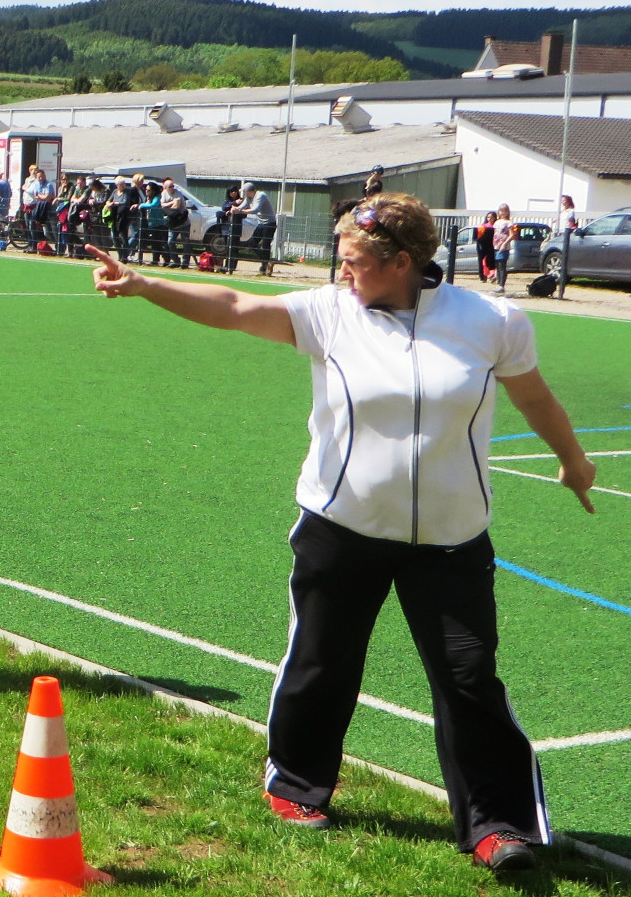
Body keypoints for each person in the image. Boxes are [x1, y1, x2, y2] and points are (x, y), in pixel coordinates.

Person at [84, 192, 596, 875]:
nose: (341, 270)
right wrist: (144, 284)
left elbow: (534, 397)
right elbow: (232, 306)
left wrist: (573, 460)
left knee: (469, 677)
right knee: (323, 659)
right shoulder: (329, 313)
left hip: (451, 540)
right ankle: (297, 783)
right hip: (341, 528)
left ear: (402, 262)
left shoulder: (492, 322)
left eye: (353, 259)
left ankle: (495, 823)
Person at [237, 182, 276, 277]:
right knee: (252, 243)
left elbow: (255, 209)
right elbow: (241, 207)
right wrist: (235, 209)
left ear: (248, 191)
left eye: (245, 191)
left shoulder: (260, 195)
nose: (244, 193)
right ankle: (267, 262)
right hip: (261, 223)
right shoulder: (248, 198)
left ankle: (264, 268)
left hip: (269, 223)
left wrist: (241, 211)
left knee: (265, 245)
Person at [492, 203, 517, 295]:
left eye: (504, 211)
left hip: (503, 247)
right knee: (497, 266)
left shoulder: (509, 222)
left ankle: (501, 285)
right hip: (496, 246)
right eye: (501, 211)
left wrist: (505, 243)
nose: (502, 213)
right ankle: (498, 283)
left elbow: (512, 235)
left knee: (502, 265)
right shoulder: (496, 222)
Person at [474, 210, 497, 282]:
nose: (489, 219)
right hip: (482, 246)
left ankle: (491, 275)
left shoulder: (496, 226)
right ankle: (483, 277)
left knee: (491, 261)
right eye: (488, 217)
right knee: (482, 261)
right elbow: (478, 237)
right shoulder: (483, 226)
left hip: (492, 246)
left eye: (491, 217)